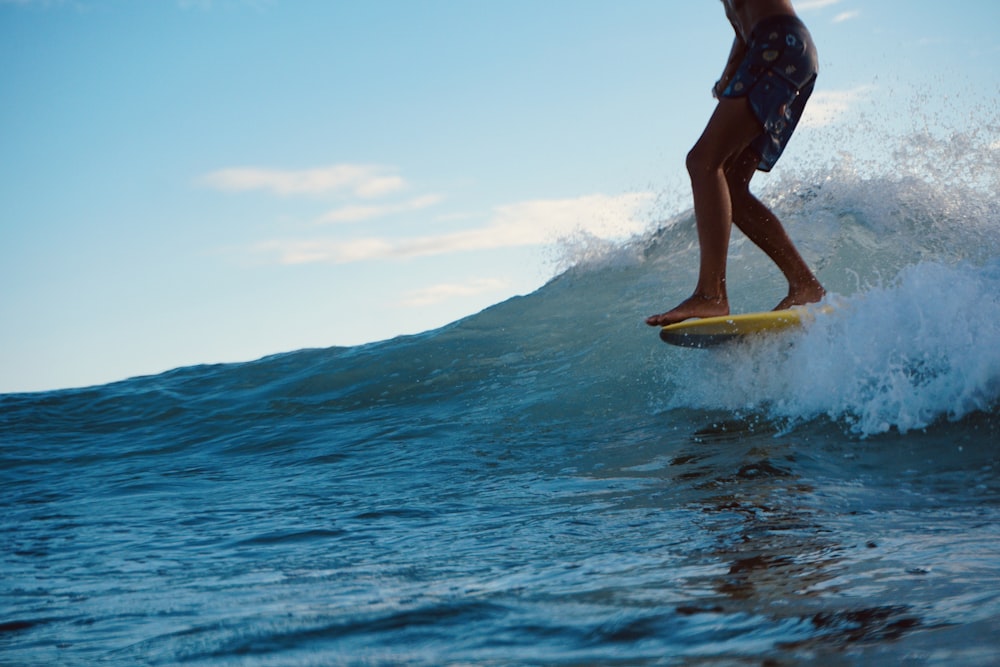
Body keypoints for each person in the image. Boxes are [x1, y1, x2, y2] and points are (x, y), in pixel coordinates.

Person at [646, 0, 825, 327]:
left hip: (780, 47)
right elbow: (743, 29)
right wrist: (730, 73)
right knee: (728, 184)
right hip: (771, 49)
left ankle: (711, 294)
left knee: (702, 161)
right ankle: (805, 286)